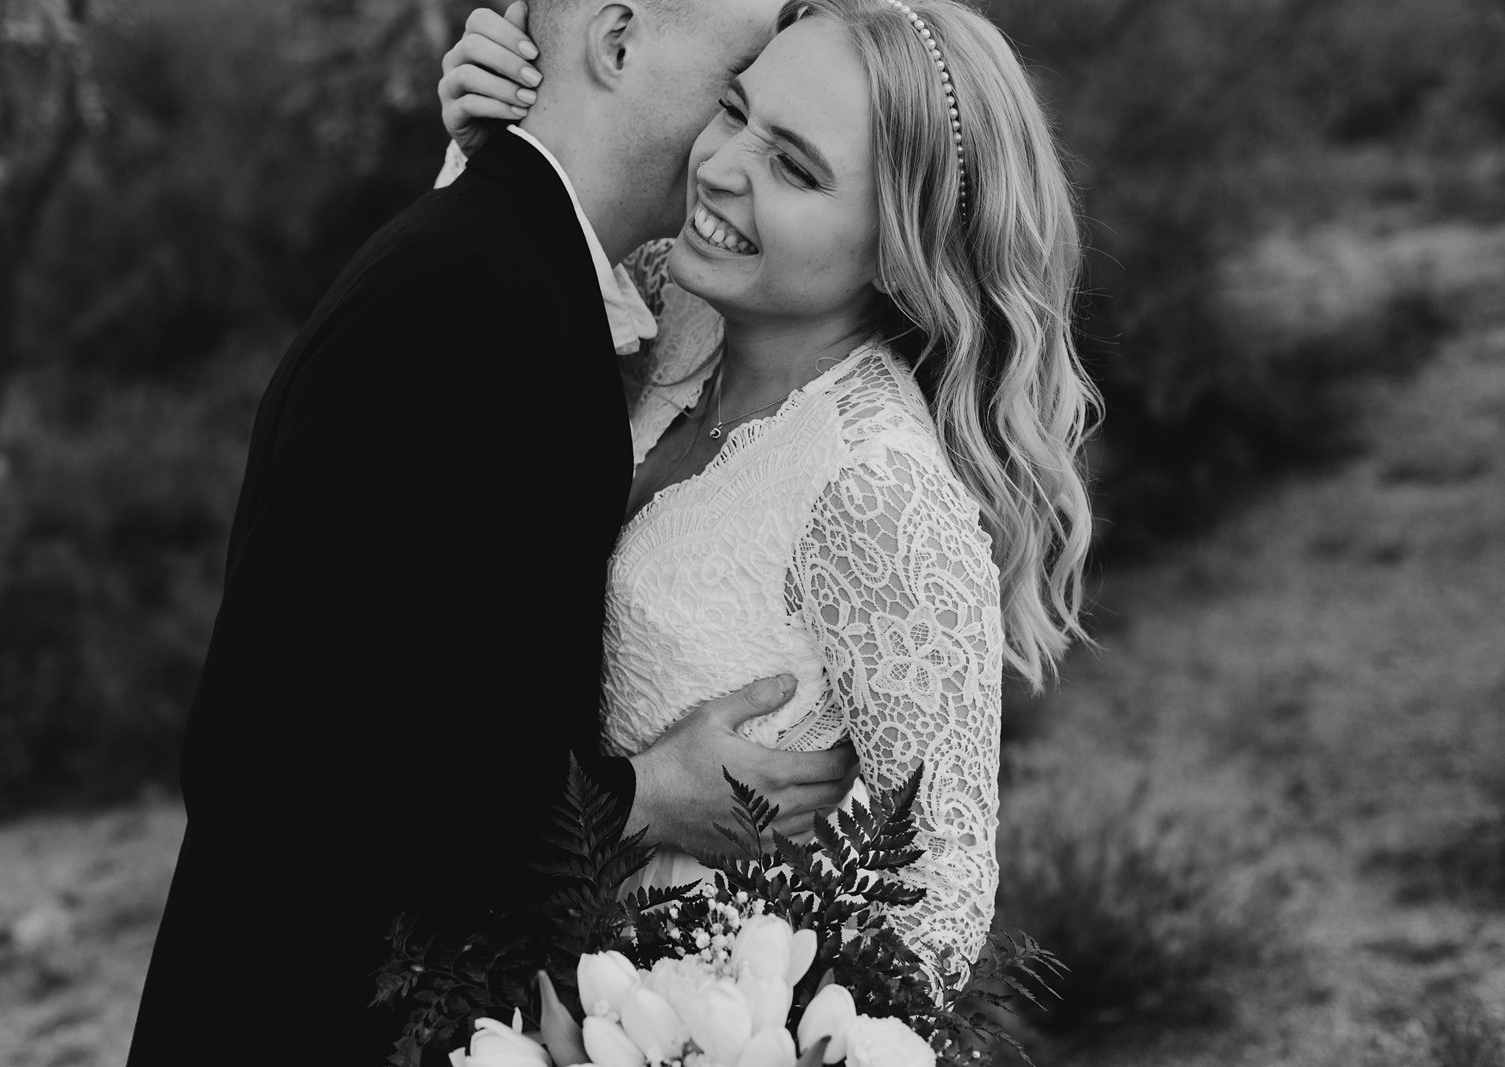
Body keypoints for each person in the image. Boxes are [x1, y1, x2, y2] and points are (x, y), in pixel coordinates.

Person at [125, 1, 862, 1063]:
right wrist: (637, 800)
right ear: (615, 43)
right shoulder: (472, 295)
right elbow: (274, 759)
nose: (747, 131)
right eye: (741, 80)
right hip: (303, 1018)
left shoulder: (529, 270)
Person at [440, 0, 1098, 988]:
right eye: (734, 107)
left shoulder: (875, 487)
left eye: (792, 166)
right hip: (518, 967)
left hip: (692, 1018)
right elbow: (458, 380)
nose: (719, 165)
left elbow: (943, 891)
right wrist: (491, 146)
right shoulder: (662, 302)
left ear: (896, 242)